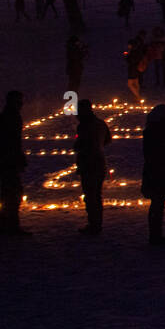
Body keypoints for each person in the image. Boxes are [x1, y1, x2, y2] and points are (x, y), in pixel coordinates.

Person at [0, 90, 31, 235]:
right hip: (9, 160)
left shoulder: (8, 115)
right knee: (12, 193)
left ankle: (7, 225)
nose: (22, 103)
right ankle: (11, 226)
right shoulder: (11, 116)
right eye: (19, 100)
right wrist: (18, 158)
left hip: (7, 159)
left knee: (9, 192)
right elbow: (11, 141)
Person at [74, 100, 111, 235]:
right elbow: (108, 139)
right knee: (96, 195)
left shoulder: (84, 125)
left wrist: (80, 146)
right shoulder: (100, 123)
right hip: (99, 162)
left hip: (89, 163)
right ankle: (96, 223)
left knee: (91, 195)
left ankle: (93, 224)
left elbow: (81, 144)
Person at [141, 104, 165, 245]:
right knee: (157, 204)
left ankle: (155, 234)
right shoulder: (160, 133)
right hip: (158, 172)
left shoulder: (151, 131)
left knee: (156, 204)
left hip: (152, 170)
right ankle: (155, 235)